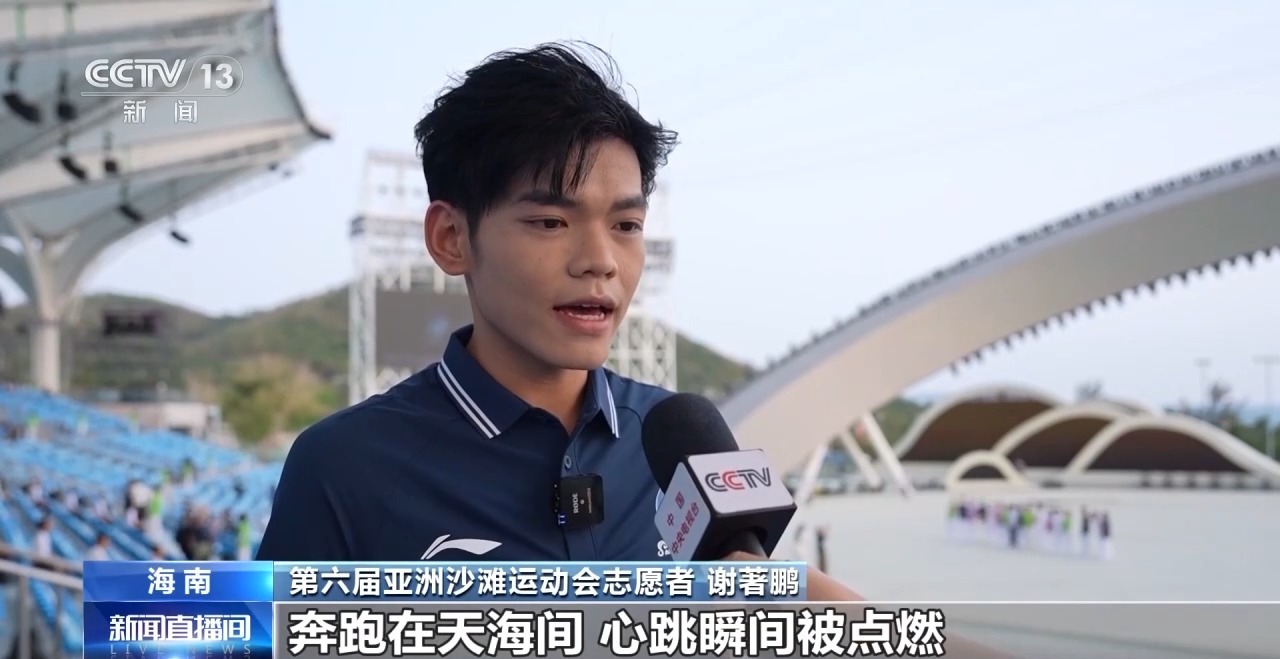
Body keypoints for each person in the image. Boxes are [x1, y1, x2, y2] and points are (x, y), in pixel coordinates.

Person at [254, 42, 864, 599]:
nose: (600, 260)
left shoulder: (675, 442)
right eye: (550, 222)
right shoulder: (343, 467)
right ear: (451, 238)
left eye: (626, 225)